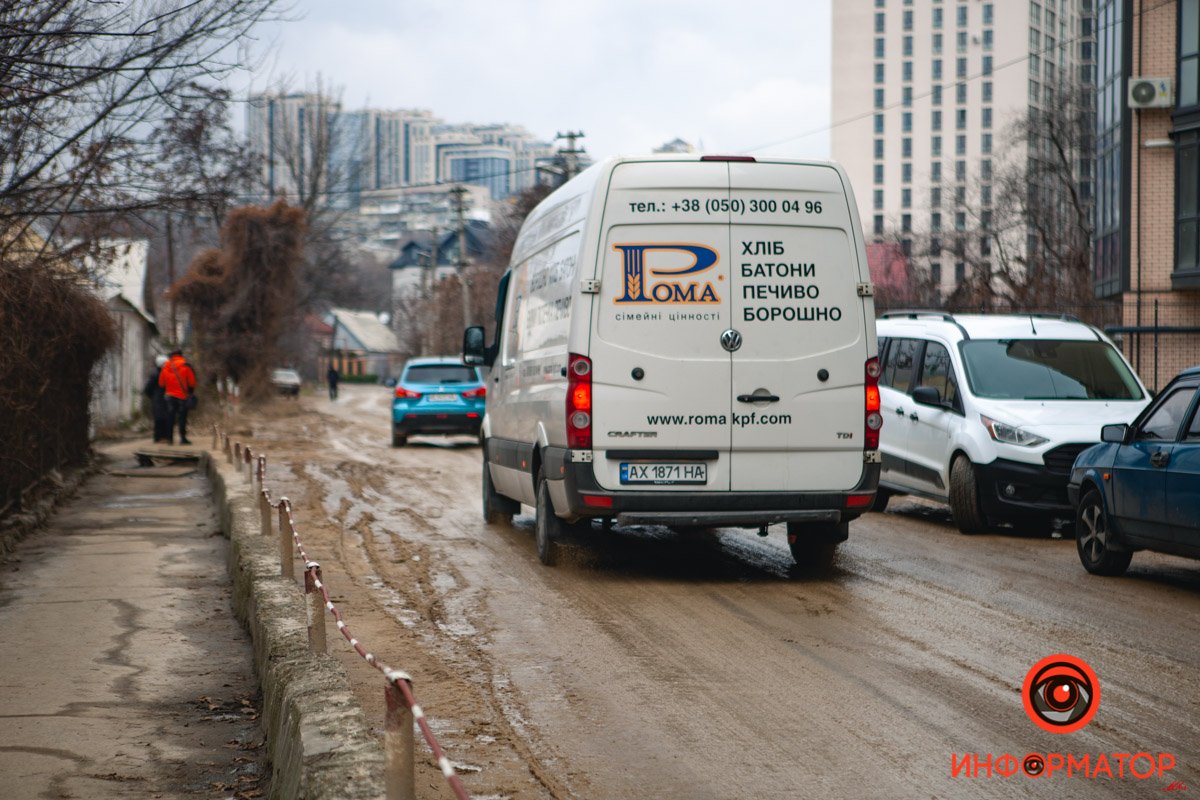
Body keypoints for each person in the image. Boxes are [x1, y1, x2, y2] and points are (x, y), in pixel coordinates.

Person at [159, 349, 196, 445]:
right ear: (181, 355)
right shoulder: (185, 365)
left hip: (169, 396)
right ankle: (183, 438)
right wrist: (189, 391)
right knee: (182, 417)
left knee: (170, 417)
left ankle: (169, 439)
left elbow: (161, 383)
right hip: (182, 397)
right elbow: (192, 382)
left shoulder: (165, 367)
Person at [143, 354, 170, 443]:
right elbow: (148, 388)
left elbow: (147, 389)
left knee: (161, 418)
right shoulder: (157, 374)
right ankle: (160, 437)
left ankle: (160, 437)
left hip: (159, 398)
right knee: (161, 418)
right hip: (160, 399)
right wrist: (154, 396)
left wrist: (152, 396)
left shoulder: (157, 373)